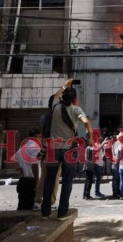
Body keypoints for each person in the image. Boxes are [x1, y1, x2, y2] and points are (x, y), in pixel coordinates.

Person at [41, 79, 92, 220]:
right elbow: (86, 122)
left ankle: (45, 212)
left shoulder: (55, 107)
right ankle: (62, 212)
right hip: (69, 150)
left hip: (53, 149)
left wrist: (65, 85)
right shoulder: (76, 109)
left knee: (49, 180)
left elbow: (55, 96)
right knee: (67, 181)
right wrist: (90, 135)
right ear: (75, 99)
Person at [33, 94, 61, 211]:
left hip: (46, 150)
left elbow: (45, 136)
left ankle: (38, 201)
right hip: (56, 150)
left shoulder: (44, 117)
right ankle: (51, 202)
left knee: (43, 177)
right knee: (54, 179)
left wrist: (41, 152)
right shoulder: (59, 117)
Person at [11, 129, 41, 210]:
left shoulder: (23, 148)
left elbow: (12, 160)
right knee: (31, 209)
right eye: (41, 137)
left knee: (22, 207)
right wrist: (37, 181)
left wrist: (20, 170)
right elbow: (34, 165)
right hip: (31, 182)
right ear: (37, 136)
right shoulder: (36, 148)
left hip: (22, 181)